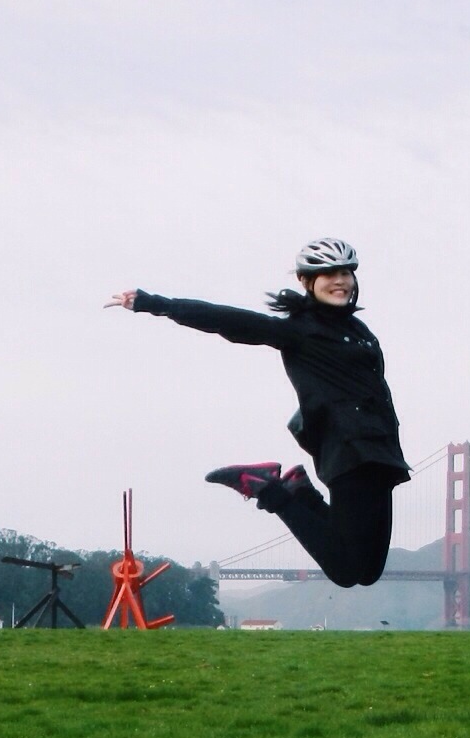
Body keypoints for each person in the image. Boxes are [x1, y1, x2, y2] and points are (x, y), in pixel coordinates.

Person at [106, 238, 409, 588]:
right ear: (307, 281)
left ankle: (298, 491)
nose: (340, 280)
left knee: (367, 572)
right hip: (349, 451)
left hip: (384, 453)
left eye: (345, 273)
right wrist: (155, 304)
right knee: (345, 571)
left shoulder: (359, 332)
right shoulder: (300, 330)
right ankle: (268, 489)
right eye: (327, 273)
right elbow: (230, 320)